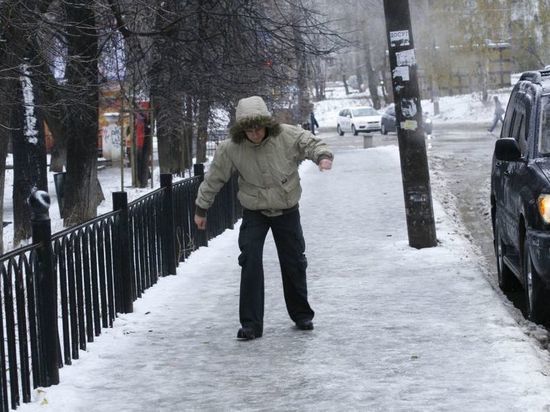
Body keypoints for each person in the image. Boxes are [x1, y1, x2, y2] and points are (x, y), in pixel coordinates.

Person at [194, 95, 333, 340]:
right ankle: (250, 324)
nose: (255, 134)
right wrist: (201, 209)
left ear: (267, 124)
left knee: (294, 262)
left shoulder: (287, 135)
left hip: (286, 209)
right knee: (249, 262)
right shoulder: (231, 148)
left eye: (258, 128)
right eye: (249, 130)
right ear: (241, 130)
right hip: (255, 212)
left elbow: (310, 143)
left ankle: (302, 315)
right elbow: (214, 178)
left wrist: (322, 156)